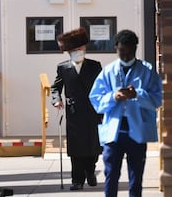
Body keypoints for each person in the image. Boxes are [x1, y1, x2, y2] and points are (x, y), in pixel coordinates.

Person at [89, 29, 162, 197]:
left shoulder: (147, 70)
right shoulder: (108, 72)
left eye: (130, 52)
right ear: (116, 48)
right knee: (111, 175)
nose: (126, 56)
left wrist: (138, 94)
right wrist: (113, 96)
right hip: (114, 133)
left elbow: (157, 99)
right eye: (122, 52)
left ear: (135, 49)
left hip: (137, 132)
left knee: (136, 178)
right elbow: (95, 99)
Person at [51, 27, 102, 191]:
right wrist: (56, 100)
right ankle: (77, 180)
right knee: (75, 148)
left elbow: (103, 86)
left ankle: (90, 170)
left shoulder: (95, 66)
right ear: (69, 52)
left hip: (92, 111)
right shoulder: (63, 68)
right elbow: (55, 88)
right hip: (74, 112)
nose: (79, 51)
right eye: (75, 49)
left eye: (81, 48)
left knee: (93, 146)